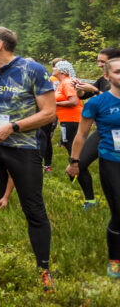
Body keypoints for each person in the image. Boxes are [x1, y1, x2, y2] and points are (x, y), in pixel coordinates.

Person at [0, 27, 56, 291]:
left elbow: (49, 113)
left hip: (24, 148)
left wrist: (13, 127)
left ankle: (43, 268)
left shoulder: (33, 70)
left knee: (33, 209)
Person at [68, 55, 120, 278]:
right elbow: (81, 135)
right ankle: (115, 261)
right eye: (117, 71)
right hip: (112, 162)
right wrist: (74, 162)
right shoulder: (97, 103)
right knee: (119, 212)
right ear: (107, 76)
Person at [70, 47, 120, 205]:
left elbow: (103, 96)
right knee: (80, 164)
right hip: (104, 132)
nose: (99, 64)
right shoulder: (103, 79)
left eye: (102, 61)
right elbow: (86, 96)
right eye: (98, 61)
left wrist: (94, 90)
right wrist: (78, 88)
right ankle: (90, 200)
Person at [53, 60, 89, 204]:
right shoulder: (63, 83)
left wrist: (53, 103)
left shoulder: (67, 82)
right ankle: (74, 173)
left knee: (73, 149)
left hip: (73, 120)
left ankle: (77, 171)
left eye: (56, 67)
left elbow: (74, 101)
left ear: (62, 71)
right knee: (69, 146)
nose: (53, 68)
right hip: (66, 121)